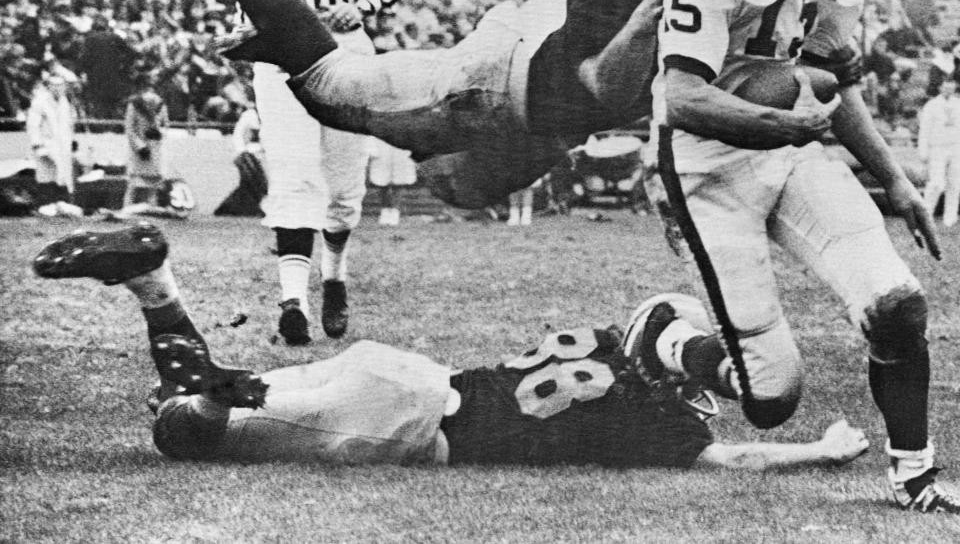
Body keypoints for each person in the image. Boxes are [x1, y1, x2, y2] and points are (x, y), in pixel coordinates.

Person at [140, 0, 831, 214]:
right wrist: (652, 12)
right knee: (329, 86)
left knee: (460, 188)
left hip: (534, 102)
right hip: (488, 89)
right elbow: (603, 86)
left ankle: (285, 35)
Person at [650, 0, 954, 513]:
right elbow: (684, 97)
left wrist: (893, 180)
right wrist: (781, 121)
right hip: (707, 167)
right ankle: (670, 339)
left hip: (792, 155)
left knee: (897, 304)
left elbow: (831, 81)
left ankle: (913, 473)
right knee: (771, 399)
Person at [32, 223, 870, 473]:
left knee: (183, 422)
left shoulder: (619, 341)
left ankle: (165, 302)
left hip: (400, 375)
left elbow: (664, 328)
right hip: (411, 416)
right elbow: (730, 460)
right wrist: (819, 447)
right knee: (189, 432)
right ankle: (185, 331)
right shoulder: (666, 425)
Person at [242, 0, 411, 344]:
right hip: (281, 54)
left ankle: (334, 279)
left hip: (343, 50)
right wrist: (241, 32)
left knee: (342, 182)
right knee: (293, 172)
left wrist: (359, 4)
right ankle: (292, 302)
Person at [26, 71, 76, 205]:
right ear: (48, 86)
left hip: (63, 145)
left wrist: (72, 141)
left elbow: (69, 125)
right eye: (54, 85)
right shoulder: (40, 102)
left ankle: (63, 206)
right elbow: (33, 125)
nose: (57, 88)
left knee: (63, 175)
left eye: (60, 85)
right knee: (47, 176)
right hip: (46, 145)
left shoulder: (66, 102)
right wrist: (38, 145)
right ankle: (46, 206)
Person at [917, 78, 960, 227]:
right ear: (940, 88)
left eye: (951, 88)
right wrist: (923, 151)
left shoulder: (958, 104)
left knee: (954, 184)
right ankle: (926, 215)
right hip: (937, 148)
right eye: (946, 87)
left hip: (955, 147)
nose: (949, 90)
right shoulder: (932, 105)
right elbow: (924, 129)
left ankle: (950, 218)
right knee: (936, 183)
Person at [123, 77, 169, 208]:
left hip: (154, 147)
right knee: (133, 185)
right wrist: (140, 147)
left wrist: (159, 132)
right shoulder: (135, 104)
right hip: (138, 150)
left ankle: (151, 210)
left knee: (153, 186)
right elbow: (129, 128)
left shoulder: (161, 104)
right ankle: (127, 209)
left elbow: (166, 124)